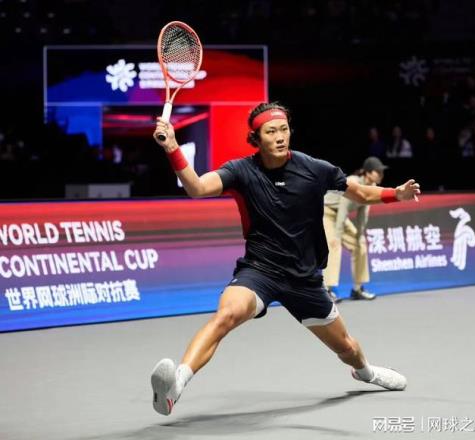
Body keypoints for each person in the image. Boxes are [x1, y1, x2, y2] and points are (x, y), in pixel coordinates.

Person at [151, 102, 421, 416]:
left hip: (304, 279)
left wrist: (395, 194)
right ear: (256, 138)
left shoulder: (314, 169)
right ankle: (175, 386)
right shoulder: (241, 171)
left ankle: (366, 372)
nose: (280, 137)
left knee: (347, 347)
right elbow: (197, 188)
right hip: (260, 271)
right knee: (226, 315)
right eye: (271, 132)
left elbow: (359, 193)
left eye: (284, 129)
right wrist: (172, 147)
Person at [323, 156, 388, 302]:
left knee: (361, 245)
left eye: (382, 172)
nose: (381, 175)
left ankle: (357, 289)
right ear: (368, 173)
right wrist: (337, 236)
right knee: (334, 246)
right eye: (378, 172)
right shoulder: (352, 182)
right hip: (326, 212)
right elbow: (343, 208)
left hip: (340, 217)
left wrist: (359, 236)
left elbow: (363, 214)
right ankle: (327, 290)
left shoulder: (372, 188)